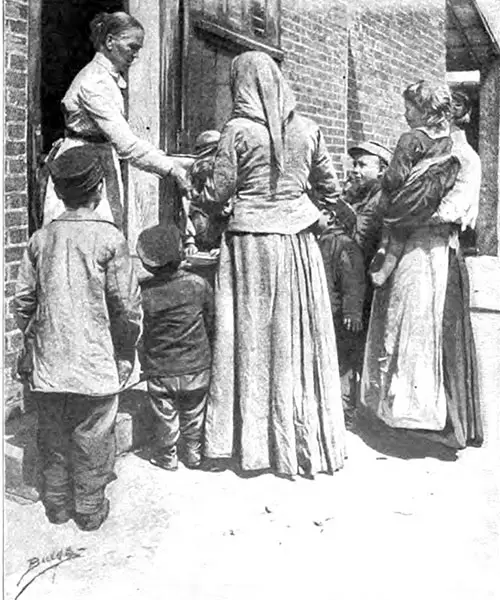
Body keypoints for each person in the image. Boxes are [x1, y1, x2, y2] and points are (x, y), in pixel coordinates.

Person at [200, 51, 347, 478]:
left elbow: (218, 189)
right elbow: (331, 188)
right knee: (295, 337)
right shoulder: (309, 128)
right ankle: (301, 441)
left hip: (250, 245)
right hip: (299, 245)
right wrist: (295, 201)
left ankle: (250, 444)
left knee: (249, 336)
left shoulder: (238, 130)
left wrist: (202, 188)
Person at [14, 146, 142, 530]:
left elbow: (23, 302)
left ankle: (56, 505)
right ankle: (88, 509)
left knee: (52, 433)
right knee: (93, 436)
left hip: (49, 367)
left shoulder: (41, 239)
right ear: (99, 190)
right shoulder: (110, 240)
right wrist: (123, 352)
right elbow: (127, 309)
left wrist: (39, 339)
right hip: (94, 362)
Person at [360, 85, 483, 449]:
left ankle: (427, 424)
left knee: (422, 327)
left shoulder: (465, 156)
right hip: (406, 247)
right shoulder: (422, 146)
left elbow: (455, 209)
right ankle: (390, 413)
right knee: (394, 321)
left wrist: (409, 213)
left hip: (433, 254)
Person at [41, 11, 192, 230]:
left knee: (103, 235)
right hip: (78, 167)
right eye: (132, 46)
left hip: (98, 159)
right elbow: (126, 145)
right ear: (110, 41)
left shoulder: (108, 79)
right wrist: (172, 169)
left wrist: (174, 162)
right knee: (84, 235)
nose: (135, 55)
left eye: (138, 49)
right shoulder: (95, 82)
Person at [137, 224, 214, 471]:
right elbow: (211, 321)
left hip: (160, 368)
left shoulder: (145, 292)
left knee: (165, 415)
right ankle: (193, 453)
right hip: (196, 365)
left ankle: (167, 456)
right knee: (194, 411)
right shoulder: (198, 284)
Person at [369, 81, 460, 287]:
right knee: (398, 230)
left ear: (425, 112)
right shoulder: (445, 140)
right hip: (430, 197)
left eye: (409, 109)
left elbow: (396, 177)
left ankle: (383, 270)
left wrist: (384, 179)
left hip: (411, 198)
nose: (405, 114)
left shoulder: (410, 139)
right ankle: (385, 253)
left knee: (393, 225)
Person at [316, 200, 366, 428]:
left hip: (340, 318)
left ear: (330, 216)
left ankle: (346, 409)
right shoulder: (321, 242)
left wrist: (352, 311)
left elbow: (353, 279)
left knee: (344, 363)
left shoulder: (343, 244)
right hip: (324, 314)